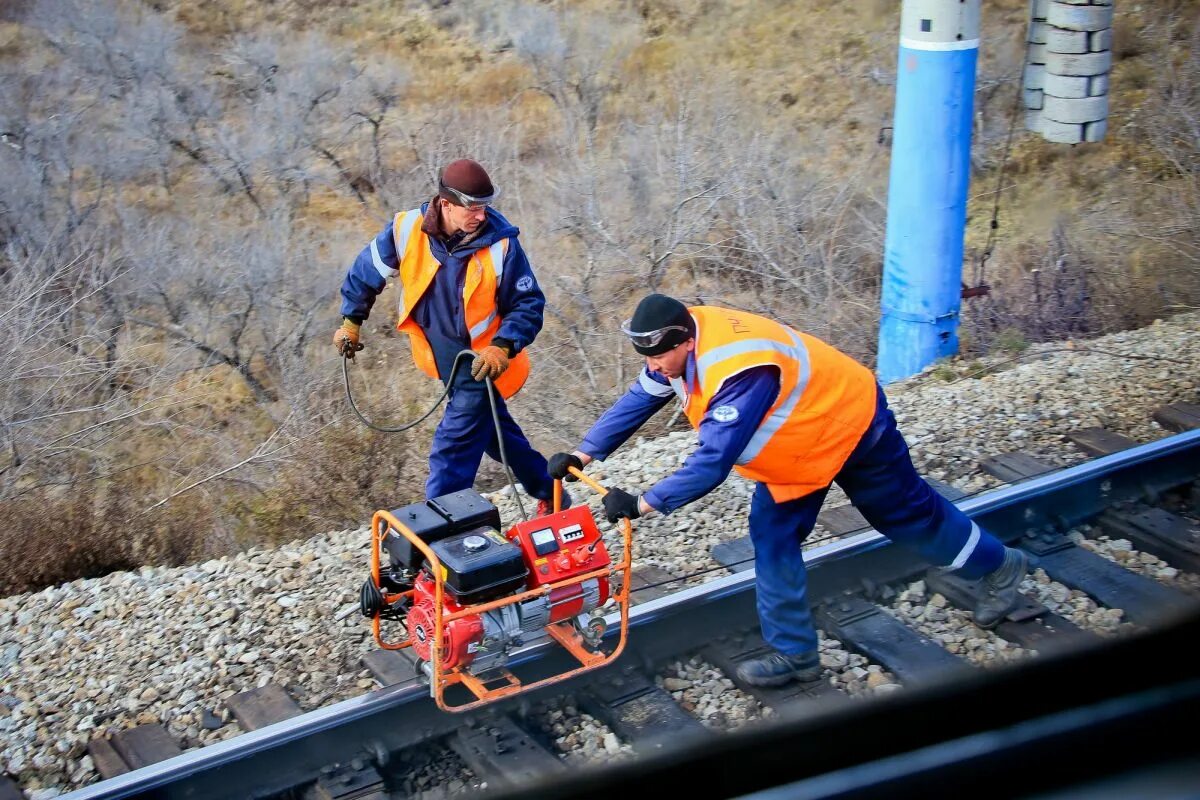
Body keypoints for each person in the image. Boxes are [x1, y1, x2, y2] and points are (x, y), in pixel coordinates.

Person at [549, 294, 1029, 687]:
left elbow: (712, 460)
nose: (653, 368)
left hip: (850, 423)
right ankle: (796, 654)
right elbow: (640, 398)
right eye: (648, 357)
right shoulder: (675, 344)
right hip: (796, 451)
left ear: (687, 341)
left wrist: (643, 503)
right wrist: (585, 454)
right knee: (773, 538)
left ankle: (999, 566)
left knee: (906, 517)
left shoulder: (739, 371)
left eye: (659, 357)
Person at [334, 159, 566, 513]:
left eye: (484, 207)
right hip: (444, 361)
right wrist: (351, 320)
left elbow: (529, 304)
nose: (481, 215)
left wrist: (503, 347)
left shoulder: (501, 245)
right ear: (445, 204)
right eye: (472, 208)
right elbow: (367, 272)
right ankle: (552, 494)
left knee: (452, 447)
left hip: (482, 364)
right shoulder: (406, 229)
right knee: (495, 433)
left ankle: (439, 531)